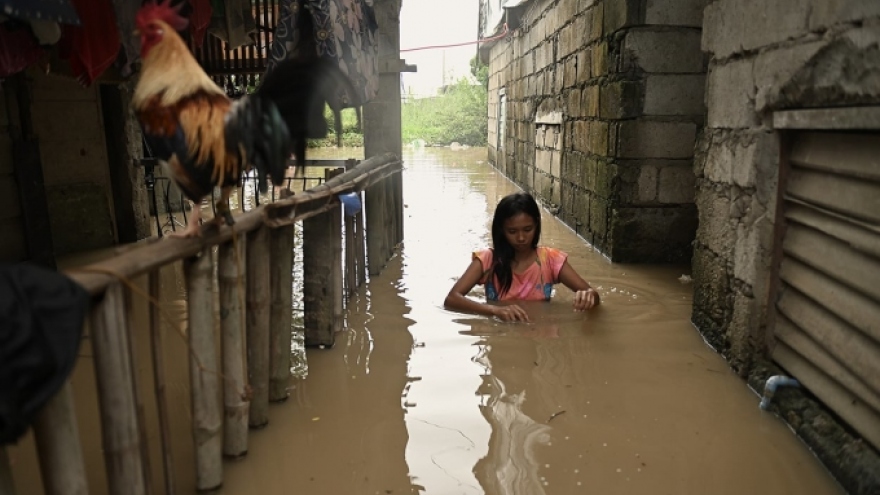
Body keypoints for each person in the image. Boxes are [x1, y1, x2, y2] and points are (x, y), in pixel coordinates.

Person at [444, 192, 600, 322]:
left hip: (539, 333)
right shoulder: (487, 260)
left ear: (537, 225)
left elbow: (592, 293)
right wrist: (494, 310)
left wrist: (589, 296)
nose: (521, 238)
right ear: (502, 230)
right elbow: (451, 299)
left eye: (527, 229)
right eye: (512, 232)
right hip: (500, 336)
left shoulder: (551, 260)